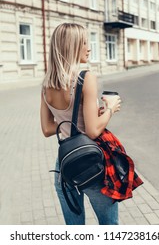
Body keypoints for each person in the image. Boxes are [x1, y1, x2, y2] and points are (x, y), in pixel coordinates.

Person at [40, 23, 121, 225]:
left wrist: (82, 117)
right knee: (109, 227)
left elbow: (48, 129)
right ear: (72, 46)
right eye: (84, 42)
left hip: (64, 166)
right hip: (91, 163)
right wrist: (111, 108)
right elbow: (93, 131)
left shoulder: (46, 84)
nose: (88, 47)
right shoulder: (86, 78)